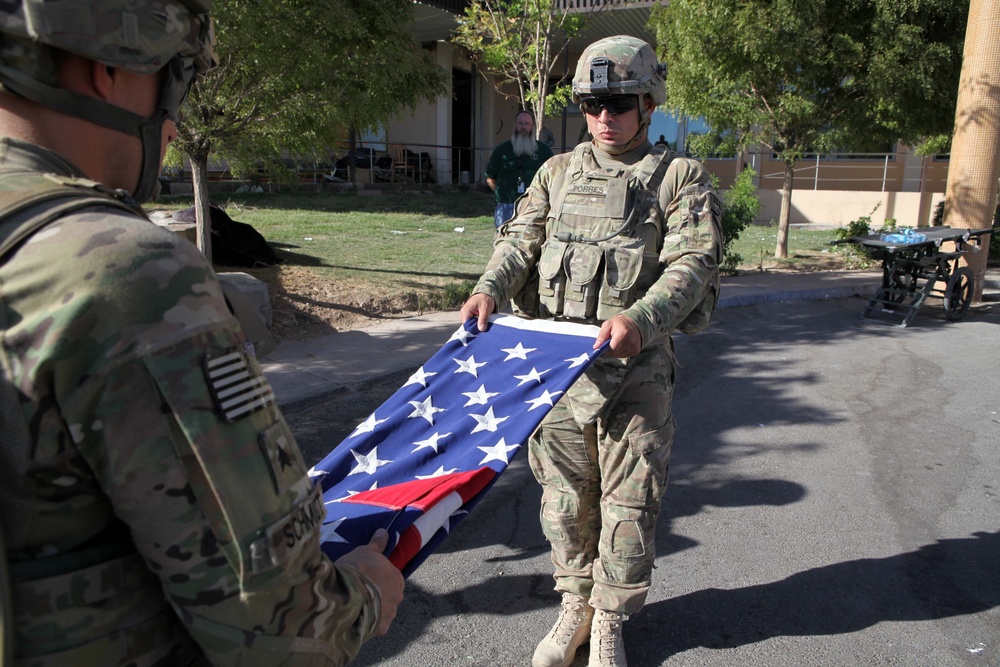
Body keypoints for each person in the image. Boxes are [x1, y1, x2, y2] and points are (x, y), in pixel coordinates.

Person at [0, 2, 403, 665]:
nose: (175, 115)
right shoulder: (122, 272)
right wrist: (363, 595)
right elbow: (280, 627)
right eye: (176, 75)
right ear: (110, 62)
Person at [459, 35, 722, 667]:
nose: (605, 116)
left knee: (630, 503)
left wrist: (641, 315)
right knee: (564, 502)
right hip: (557, 372)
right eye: (592, 102)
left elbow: (695, 261)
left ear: (649, 103)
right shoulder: (555, 172)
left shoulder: (678, 178)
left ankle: (609, 619)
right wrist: (487, 289)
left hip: (636, 373)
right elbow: (519, 241)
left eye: (620, 102)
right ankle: (574, 603)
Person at [485, 110, 553, 229]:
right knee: (504, 238)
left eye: (527, 124)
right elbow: (490, 178)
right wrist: (501, 194)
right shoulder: (502, 150)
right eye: (520, 123)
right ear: (515, 125)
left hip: (534, 205)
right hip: (506, 205)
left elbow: (553, 176)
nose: (523, 127)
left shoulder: (543, 150)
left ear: (532, 127)